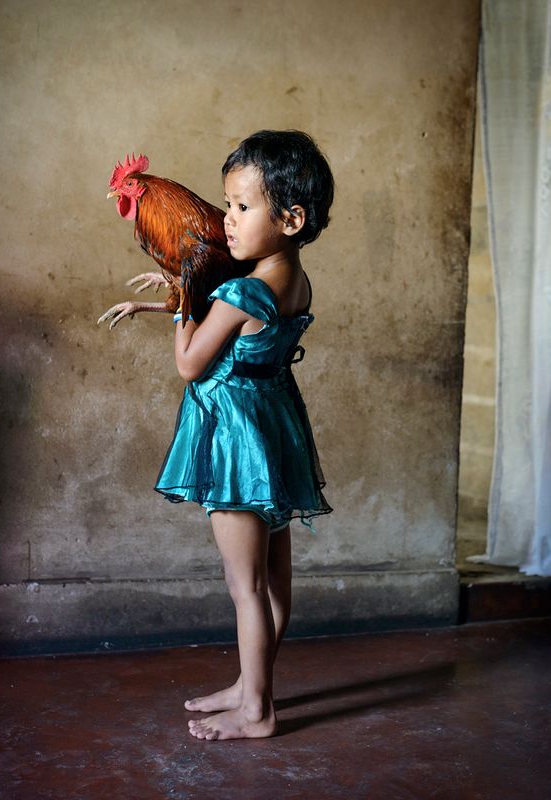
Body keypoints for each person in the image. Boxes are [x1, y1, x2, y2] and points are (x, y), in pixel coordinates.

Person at [155, 130, 334, 740]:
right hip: (277, 435)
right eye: (227, 203)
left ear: (291, 218)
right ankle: (249, 684)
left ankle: (257, 709)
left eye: (240, 206)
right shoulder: (294, 281)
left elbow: (190, 364)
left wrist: (183, 304)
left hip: (238, 445)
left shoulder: (240, 291)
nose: (226, 219)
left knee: (245, 586)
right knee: (273, 580)